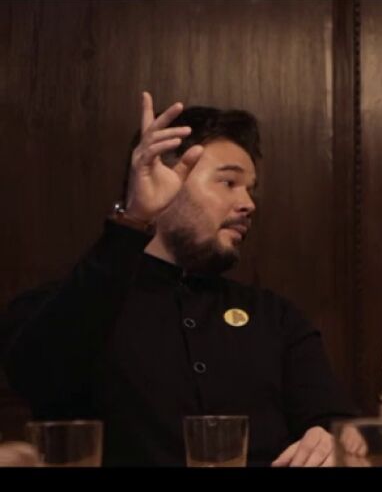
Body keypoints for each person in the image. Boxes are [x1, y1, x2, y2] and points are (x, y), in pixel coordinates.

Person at [2, 92, 356, 466]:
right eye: (228, 183)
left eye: (250, 189)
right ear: (163, 176)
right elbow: (35, 377)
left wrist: (331, 440)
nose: (249, 204)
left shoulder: (275, 317)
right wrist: (134, 219)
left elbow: (335, 421)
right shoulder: (67, 305)